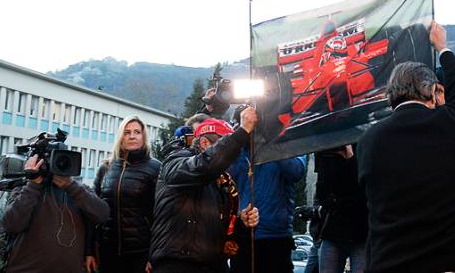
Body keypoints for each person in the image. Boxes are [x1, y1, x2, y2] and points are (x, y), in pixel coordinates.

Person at [357, 21, 455, 273]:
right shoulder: (453, 123)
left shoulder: (367, 141)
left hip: (391, 261)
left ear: (391, 96)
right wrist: (442, 47)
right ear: (431, 91)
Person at [149, 109, 261, 273]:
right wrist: (241, 133)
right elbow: (204, 165)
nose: (230, 154)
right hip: (176, 265)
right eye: (223, 142)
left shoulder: (224, 183)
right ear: (204, 144)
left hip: (213, 265)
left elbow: (222, 233)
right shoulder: (175, 162)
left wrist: (242, 223)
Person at [1, 153, 110, 273]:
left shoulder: (79, 190)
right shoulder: (24, 189)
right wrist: (33, 184)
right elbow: (11, 225)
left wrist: (71, 186)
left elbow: (102, 215)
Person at [90, 115, 162, 273]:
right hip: (107, 251)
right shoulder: (106, 168)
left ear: (144, 136)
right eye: (127, 132)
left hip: (140, 253)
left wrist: (154, 255)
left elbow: (162, 217)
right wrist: (89, 250)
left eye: (137, 131)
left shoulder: (155, 168)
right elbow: (93, 212)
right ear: (120, 136)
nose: (132, 136)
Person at [229, 140, 307, 273]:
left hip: (276, 236)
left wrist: (272, 143)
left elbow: (297, 172)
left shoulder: (289, 141)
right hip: (242, 234)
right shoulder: (238, 151)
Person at [311, 145, 367, 273]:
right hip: (334, 229)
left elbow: (368, 188)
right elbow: (322, 193)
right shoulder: (328, 152)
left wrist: (351, 159)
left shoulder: (363, 146)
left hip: (361, 231)